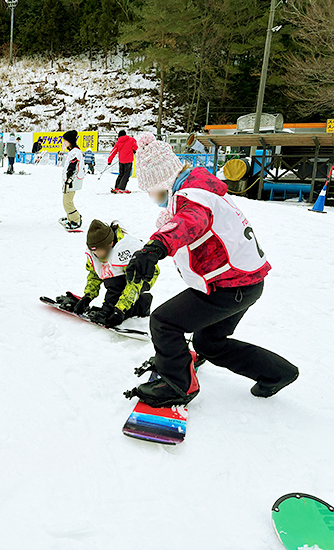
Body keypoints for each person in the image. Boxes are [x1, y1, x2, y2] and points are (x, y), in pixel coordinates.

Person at [123, 132, 299, 408]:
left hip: (229, 286)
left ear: (164, 180)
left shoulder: (192, 197)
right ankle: (277, 373)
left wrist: (154, 248)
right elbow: (191, 223)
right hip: (245, 282)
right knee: (209, 342)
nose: (151, 197)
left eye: (151, 190)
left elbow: (190, 222)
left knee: (164, 322)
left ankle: (177, 385)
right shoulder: (199, 188)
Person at [57, 220, 157, 328]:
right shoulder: (95, 250)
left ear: (111, 244)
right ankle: (140, 303)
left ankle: (139, 306)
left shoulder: (125, 249)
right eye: (94, 252)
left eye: (100, 251)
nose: (97, 255)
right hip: (122, 275)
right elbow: (95, 273)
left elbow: (134, 284)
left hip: (143, 276)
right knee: (112, 280)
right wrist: (88, 296)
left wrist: (120, 309)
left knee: (114, 283)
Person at [59, 130, 85, 230]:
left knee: (67, 201)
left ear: (70, 141)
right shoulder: (73, 151)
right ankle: (71, 218)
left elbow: (72, 167)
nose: (64, 143)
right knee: (67, 200)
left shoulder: (75, 152)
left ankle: (76, 219)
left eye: (65, 141)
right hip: (71, 181)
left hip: (72, 181)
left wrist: (68, 181)